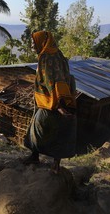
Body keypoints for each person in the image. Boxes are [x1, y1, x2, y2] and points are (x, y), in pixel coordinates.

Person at [23, 31, 77, 174]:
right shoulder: (59, 55)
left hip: (51, 102)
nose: (32, 45)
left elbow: (51, 81)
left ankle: (36, 156)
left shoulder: (46, 58)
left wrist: (58, 105)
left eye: (33, 43)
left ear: (41, 42)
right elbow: (65, 78)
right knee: (60, 132)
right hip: (61, 99)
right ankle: (55, 164)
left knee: (37, 130)